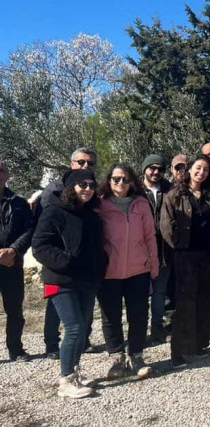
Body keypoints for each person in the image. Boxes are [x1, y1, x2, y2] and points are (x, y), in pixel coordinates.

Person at [33, 170, 107, 399]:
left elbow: (97, 247)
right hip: (61, 279)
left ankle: (74, 372)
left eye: (91, 185)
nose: (87, 189)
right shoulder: (54, 212)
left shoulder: (91, 215)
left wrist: (100, 268)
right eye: (82, 184)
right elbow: (40, 246)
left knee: (82, 327)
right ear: (71, 188)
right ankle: (65, 381)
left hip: (87, 280)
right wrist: (65, 262)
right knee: (73, 328)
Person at [97, 165, 158, 378]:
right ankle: (116, 357)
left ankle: (136, 356)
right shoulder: (100, 205)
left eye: (125, 179)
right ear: (109, 180)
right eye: (116, 179)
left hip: (138, 269)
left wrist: (154, 265)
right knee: (110, 316)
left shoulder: (141, 204)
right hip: (109, 271)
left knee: (139, 315)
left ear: (132, 181)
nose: (120, 183)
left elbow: (150, 236)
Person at [161, 155, 210, 368]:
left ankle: (197, 345)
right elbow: (166, 226)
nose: (201, 172)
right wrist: (179, 247)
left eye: (206, 169)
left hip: (208, 256)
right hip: (185, 256)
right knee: (185, 304)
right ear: (189, 170)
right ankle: (178, 351)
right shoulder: (175, 194)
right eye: (198, 168)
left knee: (205, 301)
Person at [40, 148, 101, 358]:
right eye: (81, 162)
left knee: (79, 322)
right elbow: (42, 236)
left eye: (90, 163)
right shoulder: (53, 193)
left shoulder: (91, 199)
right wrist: (65, 261)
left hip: (84, 273)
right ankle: (52, 344)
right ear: (71, 163)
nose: (86, 166)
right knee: (61, 314)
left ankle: (78, 350)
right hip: (60, 270)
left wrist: (98, 265)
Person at [0, 161, 34, 362]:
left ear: (7, 174)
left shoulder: (19, 203)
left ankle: (16, 349)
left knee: (14, 310)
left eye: (1, 170)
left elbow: (30, 230)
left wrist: (13, 250)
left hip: (12, 264)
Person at [141, 154, 172, 343]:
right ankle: (139, 327)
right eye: (152, 168)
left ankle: (157, 326)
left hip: (164, 248)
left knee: (160, 292)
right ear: (144, 168)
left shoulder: (169, 189)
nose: (156, 172)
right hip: (140, 248)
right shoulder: (134, 190)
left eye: (160, 169)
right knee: (142, 292)